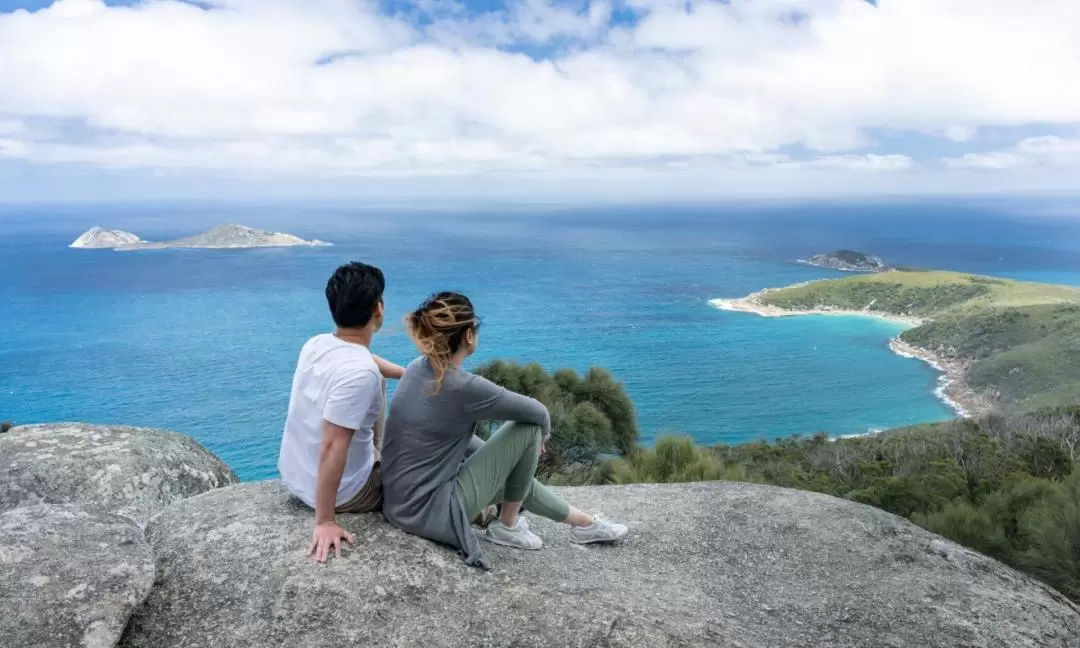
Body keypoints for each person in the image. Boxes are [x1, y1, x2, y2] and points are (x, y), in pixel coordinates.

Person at [381, 291, 628, 569]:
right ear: (468, 336)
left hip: (399, 504)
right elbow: (537, 412)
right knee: (528, 429)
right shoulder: (464, 386)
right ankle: (508, 525)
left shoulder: (416, 369)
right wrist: (538, 440)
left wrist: (510, 462)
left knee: (514, 471)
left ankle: (584, 523)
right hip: (433, 512)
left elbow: (451, 442)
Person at [277, 261, 405, 564]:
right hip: (350, 492)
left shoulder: (317, 343)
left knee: (378, 379)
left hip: (296, 476)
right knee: (420, 467)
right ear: (378, 308)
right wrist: (325, 521)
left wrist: (406, 373)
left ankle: (378, 452)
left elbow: (365, 358)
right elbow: (332, 446)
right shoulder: (360, 374)